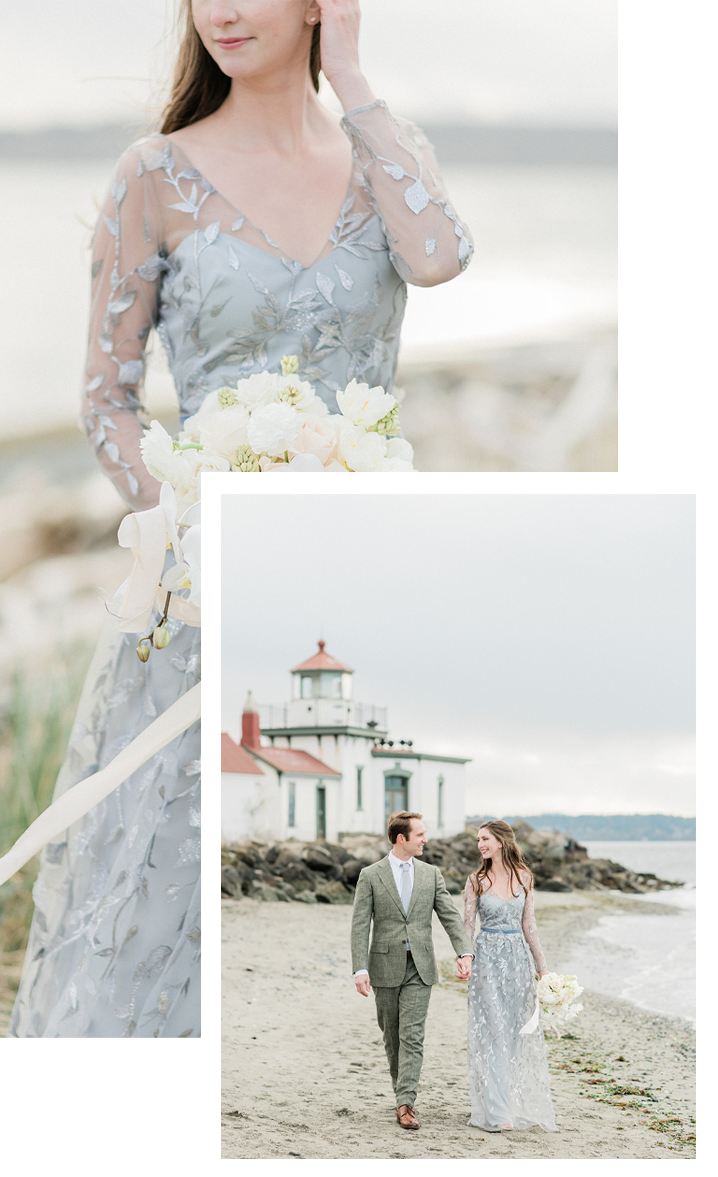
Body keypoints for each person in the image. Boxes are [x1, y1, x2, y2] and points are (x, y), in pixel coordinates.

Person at [8, 1, 470, 1039]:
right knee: (157, 892)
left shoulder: (384, 155)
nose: (219, 8)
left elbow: (438, 255)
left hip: (361, 579)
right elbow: (107, 401)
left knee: (331, 875)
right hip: (196, 595)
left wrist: (351, 75)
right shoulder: (153, 176)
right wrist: (188, 524)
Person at [351, 811, 474, 1129]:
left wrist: (464, 952)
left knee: (413, 1036)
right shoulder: (371, 875)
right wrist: (359, 968)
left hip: (420, 967)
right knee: (392, 1037)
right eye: (420, 834)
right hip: (383, 965)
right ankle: (401, 1095)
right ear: (401, 838)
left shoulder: (431, 874)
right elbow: (360, 924)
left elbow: (448, 914)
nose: (425, 839)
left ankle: (406, 1103)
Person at [463, 820, 557, 1131]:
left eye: (485, 839)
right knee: (493, 1034)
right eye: (478, 839)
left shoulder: (525, 878)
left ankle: (507, 1103)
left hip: (518, 962)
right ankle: (498, 1113)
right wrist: (465, 958)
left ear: (501, 842)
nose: (480, 844)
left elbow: (529, 927)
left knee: (515, 1035)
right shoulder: (476, 880)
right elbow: (467, 927)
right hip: (486, 962)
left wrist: (543, 970)